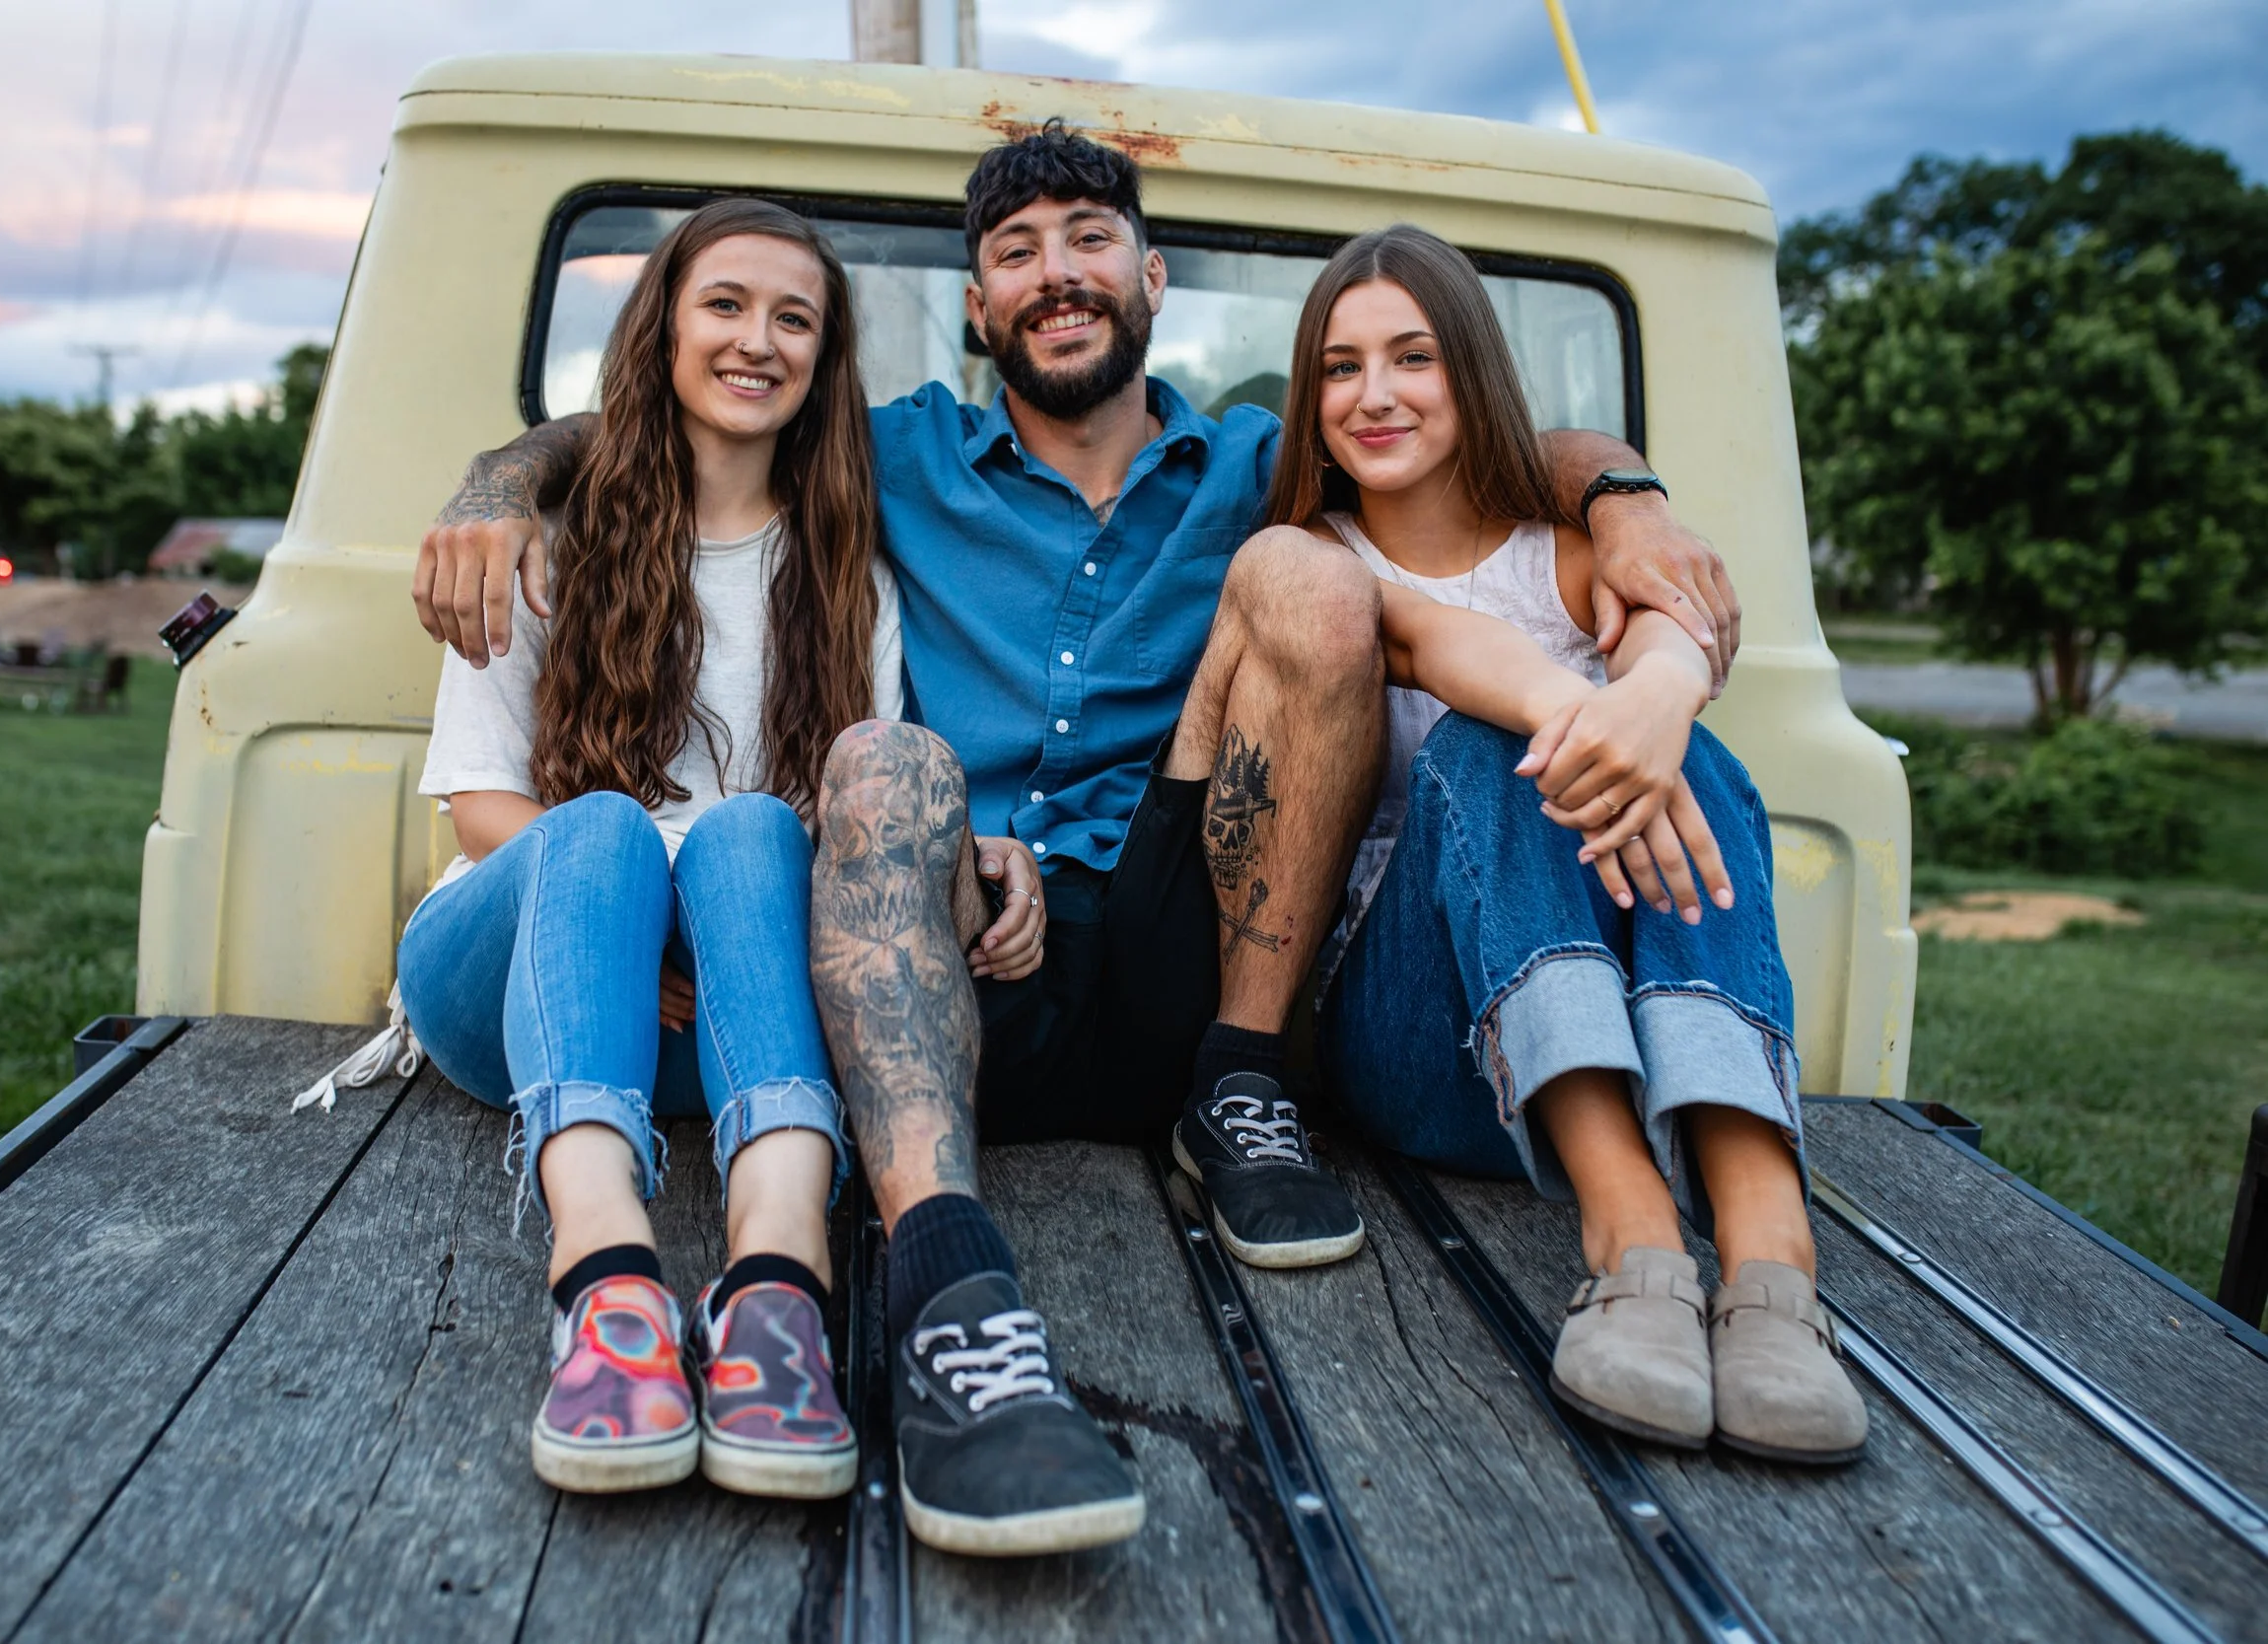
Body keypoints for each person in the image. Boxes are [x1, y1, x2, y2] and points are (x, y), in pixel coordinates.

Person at [413, 125, 1745, 1550]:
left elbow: (1472, 435)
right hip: (954, 944)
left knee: (1304, 574)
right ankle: (945, 1284)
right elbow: (681, 409)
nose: (1056, 274)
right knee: (886, 758)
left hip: (1184, 911)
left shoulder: (1259, 457)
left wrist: (1624, 488)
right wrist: (499, 476)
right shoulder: (889, 454)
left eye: (1090, 239)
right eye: (1014, 251)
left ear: (1151, 275)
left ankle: (1238, 1089)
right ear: (980, 305)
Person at [392, 200, 982, 1503]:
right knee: (601, 825)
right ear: (663, 324)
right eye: (725, 304)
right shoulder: (544, 542)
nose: (757, 339)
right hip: (511, 979)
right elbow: (484, 811)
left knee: (766, 827)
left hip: (715, 1013)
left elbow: (831, 834)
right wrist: (654, 918)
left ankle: (777, 1290)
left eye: (795, 318)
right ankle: (605, 1282)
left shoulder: (847, 577)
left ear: (824, 362)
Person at [1287, 225, 1866, 1464]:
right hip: (1411, 1043)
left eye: (1413, 356)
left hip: (1628, 1031)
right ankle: (1633, 1233)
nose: (1374, 394)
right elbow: (1455, 654)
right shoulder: (1314, 568)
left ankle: (1770, 1254)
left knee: (1698, 760)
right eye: (1339, 367)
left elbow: (1665, 629)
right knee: (1491, 744)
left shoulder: (1571, 554)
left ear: (1475, 373)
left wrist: (1661, 700)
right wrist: (1613, 714)